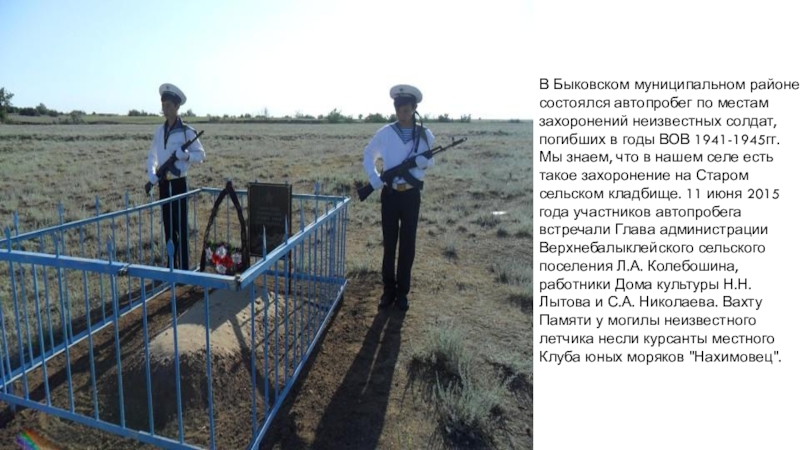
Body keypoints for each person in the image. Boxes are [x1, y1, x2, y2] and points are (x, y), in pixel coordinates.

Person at [363, 84, 435, 311]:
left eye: (406, 110)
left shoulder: (424, 134)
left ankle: (402, 293)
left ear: (414, 108)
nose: (401, 114)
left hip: (411, 195)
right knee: (390, 243)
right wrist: (374, 178)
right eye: (398, 109)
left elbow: (430, 161)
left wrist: (422, 163)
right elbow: (369, 154)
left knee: (407, 244)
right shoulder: (385, 133)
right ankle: (388, 290)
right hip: (391, 195)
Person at [146, 83, 205, 270]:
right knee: (168, 227)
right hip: (164, 183)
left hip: (179, 183)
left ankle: (184, 268)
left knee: (181, 227)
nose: (165, 109)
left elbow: (201, 155)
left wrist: (186, 156)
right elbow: (152, 155)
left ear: (177, 106)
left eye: (169, 105)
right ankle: (172, 266)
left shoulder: (187, 131)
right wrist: (152, 173)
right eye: (163, 105)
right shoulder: (159, 130)